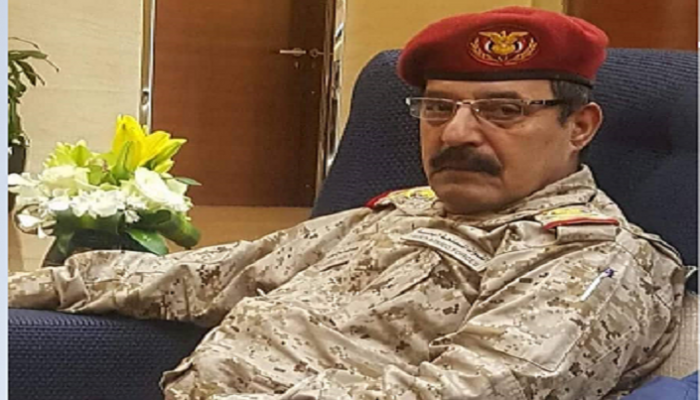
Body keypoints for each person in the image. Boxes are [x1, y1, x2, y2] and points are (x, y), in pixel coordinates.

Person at [8, 6, 688, 400]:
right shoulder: (408, 209)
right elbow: (215, 273)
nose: (456, 133)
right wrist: (34, 285)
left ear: (580, 127)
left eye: (503, 110)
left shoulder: (592, 261)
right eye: (438, 107)